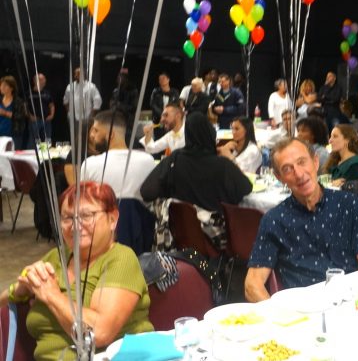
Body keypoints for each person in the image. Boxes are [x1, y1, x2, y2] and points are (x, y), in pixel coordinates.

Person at [0, 182, 153, 360]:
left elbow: (100, 333)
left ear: (112, 219)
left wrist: (51, 295)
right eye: (67, 218)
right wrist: (18, 290)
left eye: (87, 216)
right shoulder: (57, 257)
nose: (75, 226)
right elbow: (3, 302)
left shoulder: (121, 259)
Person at [244, 138, 358, 300]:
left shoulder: (349, 204)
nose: (299, 174)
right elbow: (252, 286)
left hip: (351, 300)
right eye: (287, 169)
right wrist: (282, 321)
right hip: (304, 311)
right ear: (279, 178)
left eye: (302, 162)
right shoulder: (274, 220)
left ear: (315, 162)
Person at [140, 112, 252, 234]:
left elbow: (146, 191)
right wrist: (230, 158)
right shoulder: (223, 165)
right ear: (210, 133)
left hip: (181, 235)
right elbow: (246, 188)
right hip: (215, 236)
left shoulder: (175, 159)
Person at [81, 110, 155, 201]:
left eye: (96, 131)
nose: (92, 135)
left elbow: (85, 201)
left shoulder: (90, 164)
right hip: (140, 214)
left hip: (107, 214)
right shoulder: (148, 160)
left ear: (111, 135)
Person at [63, 67, 102, 140]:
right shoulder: (70, 86)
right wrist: (69, 113)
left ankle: (87, 151)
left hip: (87, 117)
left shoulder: (91, 86)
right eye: (75, 74)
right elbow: (65, 101)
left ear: (83, 75)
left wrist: (92, 115)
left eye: (77, 74)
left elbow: (98, 101)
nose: (75, 76)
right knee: (75, 137)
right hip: (73, 118)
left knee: (87, 137)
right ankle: (76, 151)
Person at [27, 73, 55, 147]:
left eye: (44, 79)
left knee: (47, 140)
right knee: (33, 140)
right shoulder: (29, 93)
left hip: (46, 120)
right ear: (35, 81)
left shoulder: (47, 93)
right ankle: (32, 156)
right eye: (42, 79)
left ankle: (46, 156)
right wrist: (30, 116)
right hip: (34, 121)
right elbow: (24, 107)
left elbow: (51, 105)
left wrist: (52, 115)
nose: (44, 81)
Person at [0, 75, 26, 150]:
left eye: (5, 85)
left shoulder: (18, 101)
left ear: (11, 88)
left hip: (14, 135)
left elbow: (21, 116)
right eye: (1, 85)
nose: (2, 87)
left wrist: (5, 113)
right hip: (0, 135)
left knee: (12, 157)